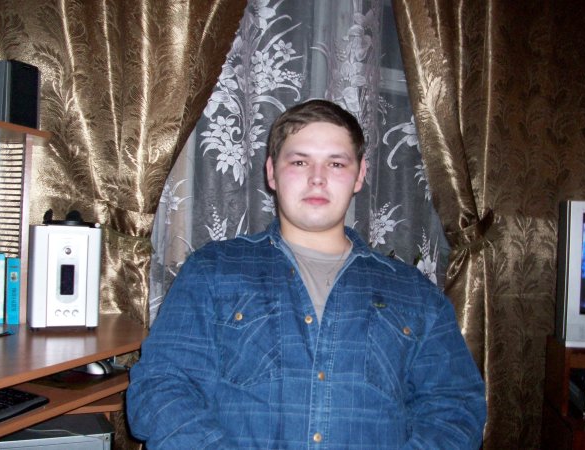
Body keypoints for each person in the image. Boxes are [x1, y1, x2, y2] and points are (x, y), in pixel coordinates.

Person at [126, 99, 487, 449]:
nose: (317, 179)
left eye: (336, 164)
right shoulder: (211, 272)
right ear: (271, 172)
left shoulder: (416, 293)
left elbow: (456, 407)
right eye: (300, 162)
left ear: (360, 175)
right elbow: (161, 387)